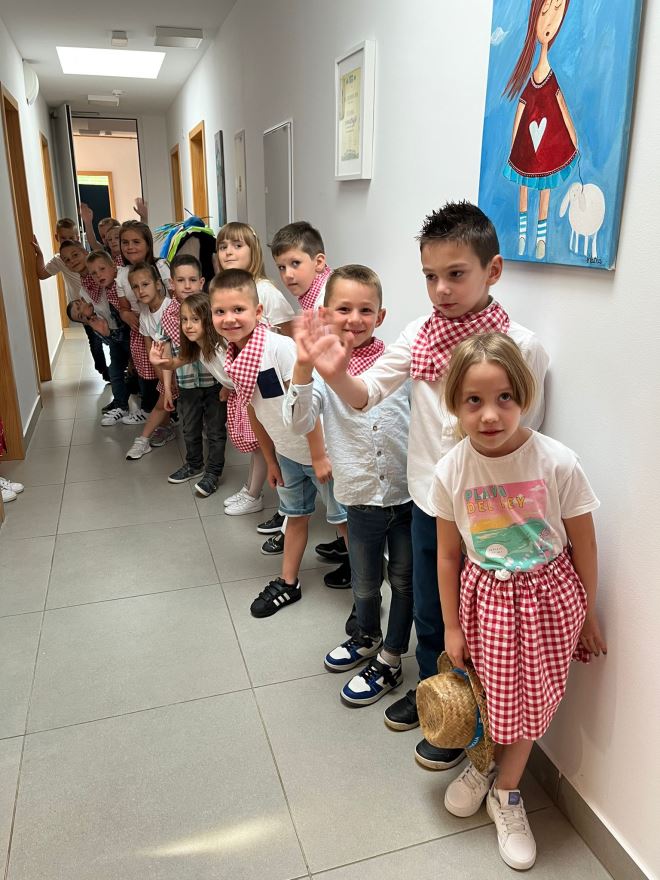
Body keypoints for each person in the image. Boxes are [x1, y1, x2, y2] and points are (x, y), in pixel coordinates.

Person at [294, 201, 550, 769]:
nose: (441, 290)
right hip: (431, 504)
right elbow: (365, 396)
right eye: (430, 276)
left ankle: (478, 718)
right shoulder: (419, 335)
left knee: (483, 620)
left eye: (456, 274)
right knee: (432, 610)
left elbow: (524, 443)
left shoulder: (521, 346)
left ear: (493, 270)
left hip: (490, 514)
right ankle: (440, 699)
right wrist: (334, 371)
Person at [427, 332, 605, 870]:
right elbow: (447, 556)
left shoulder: (557, 462)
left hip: (548, 602)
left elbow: (585, 545)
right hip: (484, 603)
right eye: (473, 400)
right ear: (455, 404)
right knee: (488, 695)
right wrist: (451, 626)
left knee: (531, 703)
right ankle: (484, 763)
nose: (490, 414)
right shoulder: (451, 469)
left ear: (524, 395)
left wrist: (587, 614)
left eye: (504, 397)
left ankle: (505, 791)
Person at [150, 269, 349, 618]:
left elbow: (308, 403)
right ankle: (288, 582)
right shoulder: (235, 357)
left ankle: (364, 585)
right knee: (296, 516)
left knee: (343, 522)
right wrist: (271, 460)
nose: (229, 319)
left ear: (257, 313)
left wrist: (318, 456)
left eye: (238, 310)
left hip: (321, 452)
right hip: (288, 454)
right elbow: (254, 408)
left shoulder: (279, 349)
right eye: (221, 312)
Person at [287, 265, 413, 705]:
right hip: (359, 499)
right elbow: (299, 421)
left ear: (381, 315)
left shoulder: (398, 364)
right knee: (364, 581)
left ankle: (392, 657)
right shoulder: (322, 373)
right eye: (343, 309)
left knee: (404, 582)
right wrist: (304, 367)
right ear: (325, 314)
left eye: (365, 310)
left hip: (408, 498)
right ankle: (366, 635)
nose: (355, 319)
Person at [271, 220, 349, 581]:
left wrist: (319, 450)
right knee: (340, 504)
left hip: (337, 415)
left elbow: (323, 379)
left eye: (295, 263)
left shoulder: (324, 307)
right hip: (333, 410)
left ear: (319, 261)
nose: (288, 274)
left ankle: (356, 565)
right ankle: (347, 546)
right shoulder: (315, 298)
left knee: (343, 504)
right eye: (281, 267)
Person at [215, 222, 297, 517]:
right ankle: (254, 490)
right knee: (259, 436)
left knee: (277, 438)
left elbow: (289, 335)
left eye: (238, 246)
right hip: (251, 377)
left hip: (271, 377)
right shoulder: (228, 289)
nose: (229, 252)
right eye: (223, 246)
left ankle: (283, 506)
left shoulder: (265, 291)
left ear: (254, 251)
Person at [163, 256, 228, 497]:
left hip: (215, 384)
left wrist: (227, 385)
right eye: (181, 280)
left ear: (202, 282)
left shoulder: (213, 310)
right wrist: (167, 388)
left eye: (192, 280)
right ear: (172, 283)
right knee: (189, 428)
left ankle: (213, 473)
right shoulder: (168, 315)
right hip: (187, 384)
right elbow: (169, 355)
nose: (187, 285)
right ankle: (194, 465)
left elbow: (227, 353)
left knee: (215, 430)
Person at [32, 224, 110, 383]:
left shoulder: (89, 259)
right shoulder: (59, 260)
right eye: (63, 238)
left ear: (78, 239)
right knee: (95, 340)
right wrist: (39, 254)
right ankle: (104, 371)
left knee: (110, 335)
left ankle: (121, 367)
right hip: (83, 309)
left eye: (71, 237)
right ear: (57, 238)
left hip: (101, 305)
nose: (71, 260)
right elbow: (41, 274)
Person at [116, 220, 171, 425]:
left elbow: (174, 296)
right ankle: (152, 410)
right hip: (141, 329)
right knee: (147, 374)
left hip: (165, 327)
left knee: (169, 370)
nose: (130, 247)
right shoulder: (122, 273)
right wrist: (125, 314)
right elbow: (123, 307)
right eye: (125, 242)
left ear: (148, 244)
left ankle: (168, 411)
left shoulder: (161, 266)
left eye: (136, 241)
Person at [123, 262, 176, 460]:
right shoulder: (145, 315)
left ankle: (143, 439)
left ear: (158, 284)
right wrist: (163, 379)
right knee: (163, 399)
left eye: (145, 284)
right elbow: (150, 350)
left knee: (164, 402)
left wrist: (169, 379)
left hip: (183, 366)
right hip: (166, 368)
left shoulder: (171, 308)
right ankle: (160, 431)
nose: (140, 290)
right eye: (135, 287)